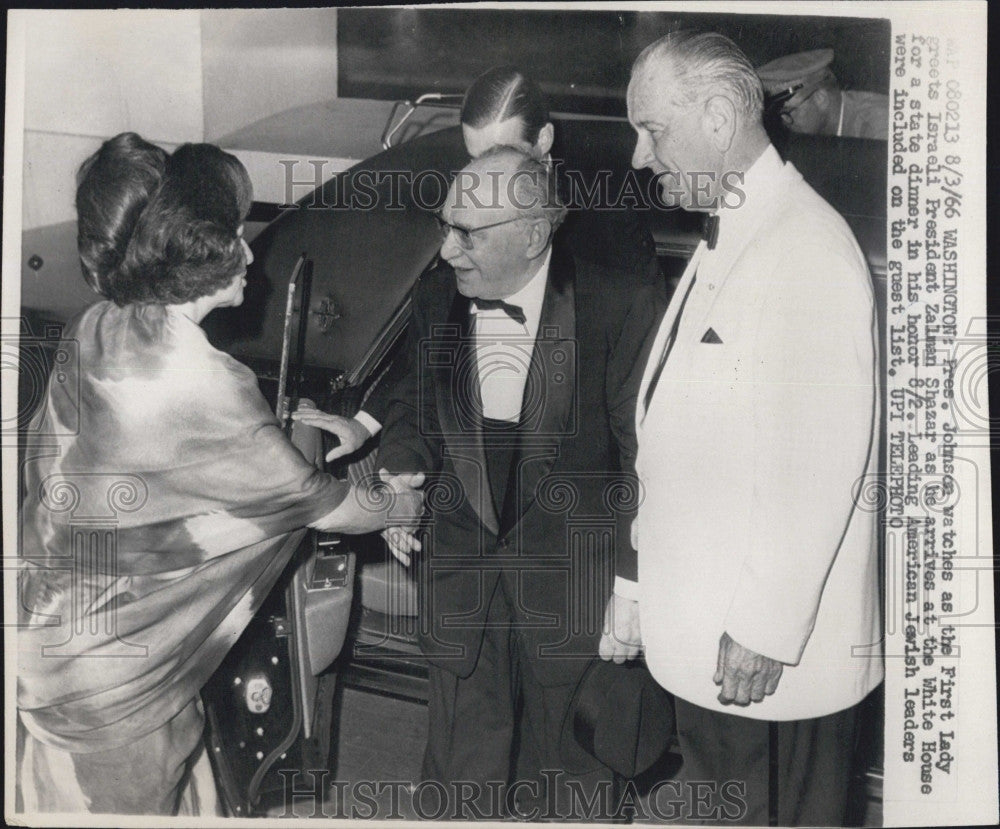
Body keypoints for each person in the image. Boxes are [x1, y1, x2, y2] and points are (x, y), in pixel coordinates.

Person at [16, 133, 423, 816]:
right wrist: (398, 508)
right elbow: (325, 506)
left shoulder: (101, 326)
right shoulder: (203, 383)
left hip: (64, 640)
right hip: (110, 689)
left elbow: (174, 466)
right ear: (202, 250)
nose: (249, 248)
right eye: (237, 232)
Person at [600, 32, 882, 825]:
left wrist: (763, 626)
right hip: (720, 648)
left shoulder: (804, 248)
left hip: (767, 663)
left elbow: (819, 463)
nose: (638, 158)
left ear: (720, 116)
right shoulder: (739, 233)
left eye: (652, 129)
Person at [363, 146, 658, 818]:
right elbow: (414, 400)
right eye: (445, 226)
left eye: (466, 232)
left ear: (533, 233)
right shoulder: (436, 293)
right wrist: (403, 467)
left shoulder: (618, 301)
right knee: (459, 784)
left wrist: (635, 584)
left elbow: (649, 456)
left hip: (573, 591)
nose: (446, 250)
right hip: (463, 576)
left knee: (576, 790)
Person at [293, 65, 660, 460]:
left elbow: (640, 367)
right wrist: (364, 424)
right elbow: (432, 328)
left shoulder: (609, 222)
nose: (481, 172)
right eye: (474, 156)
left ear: (545, 140)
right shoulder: (465, 200)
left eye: (503, 153)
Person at [757, 48, 889, 140]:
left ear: (821, 98)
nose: (784, 121)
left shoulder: (879, 128)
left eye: (788, 112)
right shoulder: (811, 138)